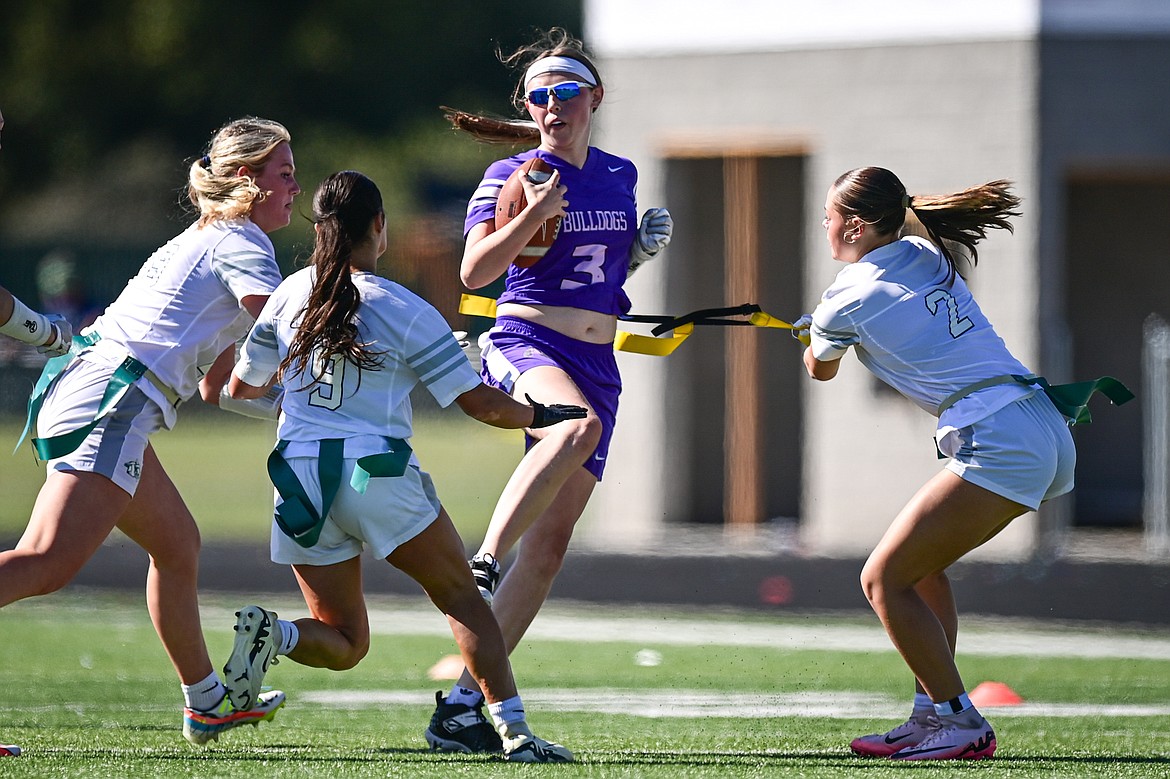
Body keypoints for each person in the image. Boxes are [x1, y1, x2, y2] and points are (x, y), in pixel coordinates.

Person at [223, 170, 581, 762]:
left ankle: (276, 634)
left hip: (298, 482)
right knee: (465, 600)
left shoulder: (288, 293)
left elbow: (242, 388)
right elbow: (482, 406)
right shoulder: (403, 305)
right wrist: (541, 412)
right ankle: (515, 735)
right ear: (379, 227)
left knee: (345, 640)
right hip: (373, 476)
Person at [2, 116, 301, 746]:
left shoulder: (209, 238)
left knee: (177, 546)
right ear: (246, 179)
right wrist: (375, 362)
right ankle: (206, 701)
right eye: (285, 174)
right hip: (113, 399)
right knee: (46, 563)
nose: (296, 187)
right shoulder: (242, 241)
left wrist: (290, 404)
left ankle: (206, 702)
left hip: (98, 392)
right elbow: (286, 332)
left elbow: (226, 385)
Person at [430, 27, 673, 752]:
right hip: (524, 341)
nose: (551, 106)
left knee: (552, 548)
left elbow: (600, 278)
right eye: (539, 96)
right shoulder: (513, 175)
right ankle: (485, 556)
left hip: (598, 361)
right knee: (572, 430)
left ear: (593, 98)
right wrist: (532, 215)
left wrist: (636, 253)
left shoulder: (620, 173)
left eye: (565, 92)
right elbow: (474, 272)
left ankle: (463, 706)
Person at [798, 166, 1075, 761]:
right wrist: (829, 328)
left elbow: (820, 368)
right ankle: (931, 715)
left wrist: (819, 333)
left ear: (853, 224)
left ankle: (961, 721)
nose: (824, 226)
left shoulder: (845, 294)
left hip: (999, 434)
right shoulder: (925, 252)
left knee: (881, 578)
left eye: (828, 216)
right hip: (1038, 420)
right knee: (919, 571)